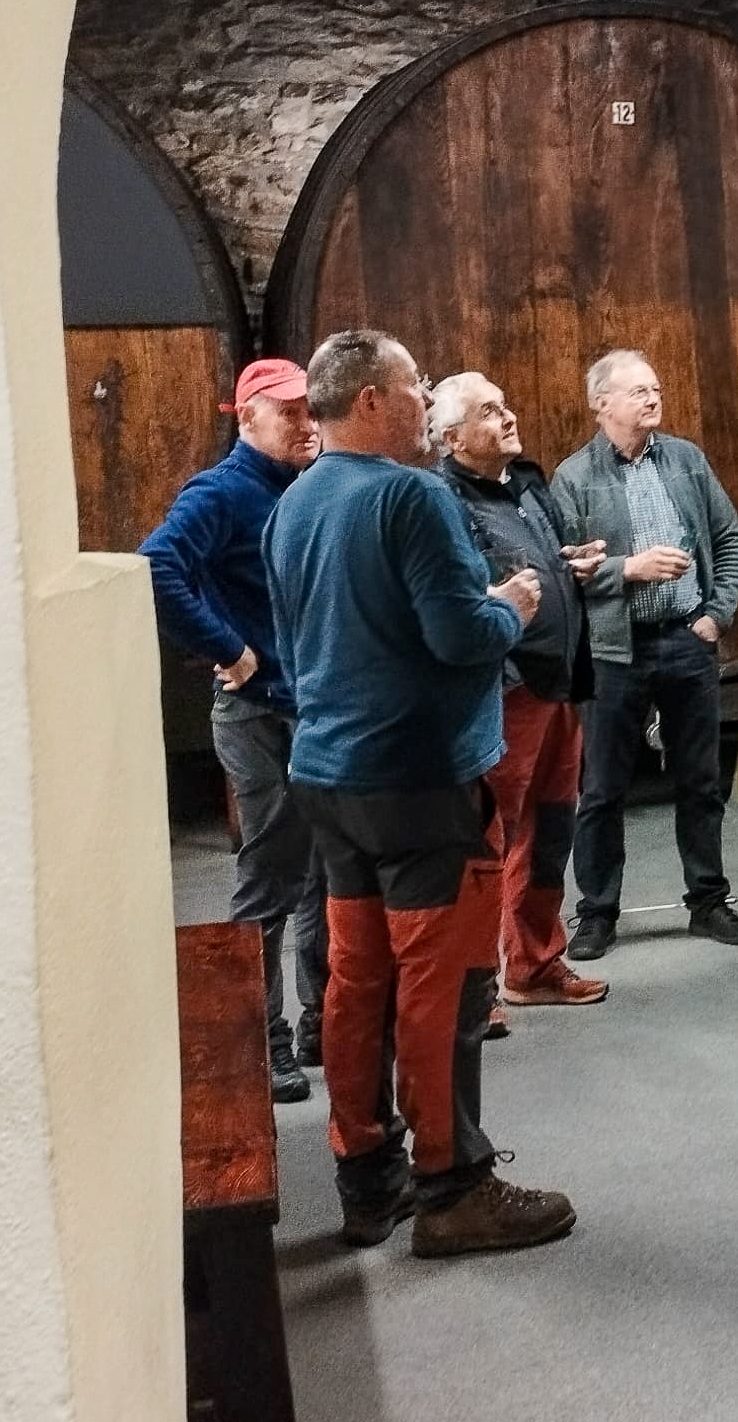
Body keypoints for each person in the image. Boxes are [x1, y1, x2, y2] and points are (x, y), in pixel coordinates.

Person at [264, 329, 574, 1257]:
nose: (425, 401)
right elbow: (459, 636)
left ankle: (367, 1177)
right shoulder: (411, 495)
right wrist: (512, 604)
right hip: (421, 780)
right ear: (369, 398)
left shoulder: (293, 502)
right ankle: (453, 1186)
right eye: (414, 386)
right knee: (445, 985)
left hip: (331, 776)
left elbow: (295, 647)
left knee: (357, 979)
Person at [141, 356, 325, 1103]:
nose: (306, 422)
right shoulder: (220, 491)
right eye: (288, 411)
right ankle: (262, 1040)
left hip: (310, 708)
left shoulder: (306, 486)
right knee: (269, 876)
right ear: (246, 417)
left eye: (311, 408)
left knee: (321, 871)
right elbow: (157, 567)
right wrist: (229, 648)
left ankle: (320, 1021)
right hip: (257, 714)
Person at [551, 350, 738, 957]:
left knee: (701, 781)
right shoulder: (573, 478)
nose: (652, 397)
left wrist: (716, 615)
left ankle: (708, 902)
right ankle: (597, 913)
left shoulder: (686, 460)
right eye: (638, 390)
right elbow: (564, 572)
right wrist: (628, 569)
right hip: (614, 651)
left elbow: (731, 537)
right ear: (601, 403)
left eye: (656, 388)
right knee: (602, 788)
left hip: (686, 640)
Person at [431, 371, 609, 1013]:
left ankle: (532, 966)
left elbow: (533, 566)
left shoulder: (526, 485)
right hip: (504, 692)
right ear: (453, 438)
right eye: (489, 411)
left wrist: (569, 566)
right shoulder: (443, 498)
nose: (508, 417)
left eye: (505, 405)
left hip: (558, 685)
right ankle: (472, 986)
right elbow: (455, 594)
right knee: (487, 841)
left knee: (550, 832)